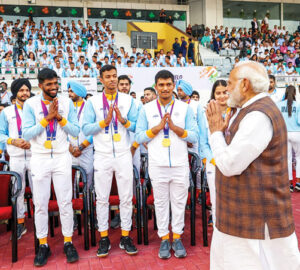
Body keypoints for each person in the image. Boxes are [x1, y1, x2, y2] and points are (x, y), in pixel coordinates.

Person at [206, 61, 300, 270]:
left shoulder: (258, 115)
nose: (227, 88)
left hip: (255, 221)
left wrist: (215, 133)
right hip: (243, 217)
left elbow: (230, 164)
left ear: (244, 85)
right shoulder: (248, 110)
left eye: (230, 83)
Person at [135, 70, 198, 259]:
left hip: (179, 163)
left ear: (174, 86)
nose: (165, 88)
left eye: (168, 84)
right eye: (161, 85)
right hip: (157, 164)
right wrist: (156, 128)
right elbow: (138, 137)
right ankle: (164, 238)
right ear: (156, 87)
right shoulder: (146, 109)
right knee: (161, 203)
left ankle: (177, 237)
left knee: (179, 202)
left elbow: (194, 136)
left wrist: (176, 129)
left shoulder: (184, 108)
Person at [23, 68, 80, 267]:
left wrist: (59, 118)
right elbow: (27, 134)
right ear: (40, 85)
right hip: (39, 157)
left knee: (65, 202)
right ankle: (43, 244)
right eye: (49, 84)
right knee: (40, 204)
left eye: (56, 83)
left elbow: (75, 129)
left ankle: (68, 242)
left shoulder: (66, 102)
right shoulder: (30, 104)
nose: (54, 87)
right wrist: (47, 118)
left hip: (62, 157)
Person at [82, 65, 138, 257]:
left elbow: (138, 127)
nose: (113, 80)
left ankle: (125, 235)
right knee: (102, 198)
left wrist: (124, 121)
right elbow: (86, 129)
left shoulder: (128, 100)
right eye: (108, 77)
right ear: (101, 79)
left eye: (115, 76)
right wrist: (103, 123)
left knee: (126, 196)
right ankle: (104, 237)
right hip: (103, 154)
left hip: (123, 153)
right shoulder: (93, 102)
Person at [0, 78, 32, 240]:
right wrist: (13, 141)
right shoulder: (6, 112)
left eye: (27, 90)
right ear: (15, 93)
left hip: (35, 156)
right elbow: (1, 134)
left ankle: (42, 222)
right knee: (18, 190)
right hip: (16, 157)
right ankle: (20, 223)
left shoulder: (35, 110)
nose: (25, 93)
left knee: (38, 190)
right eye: (21, 90)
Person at [67, 81, 94, 209]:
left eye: (72, 91)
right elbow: (61, 130)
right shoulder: (65, 107)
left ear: (79, 92)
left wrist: (82, 146)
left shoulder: (90, 107)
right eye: (68, 91)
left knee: (88, 181)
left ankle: (89, 212)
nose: (69, 93)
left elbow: (95, 130)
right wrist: (70, 148)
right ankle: (72, 214)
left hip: (86, 150)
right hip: (69, 151)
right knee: (69, 183)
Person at [276, 85, 300, 192]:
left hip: (284, 134)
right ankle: (298, 183)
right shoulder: (298, 105)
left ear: (285, 93)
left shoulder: (279, 105)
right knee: (299, 158)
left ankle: (290, 184)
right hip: (296, 133)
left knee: (288, 159)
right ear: (295, 93)